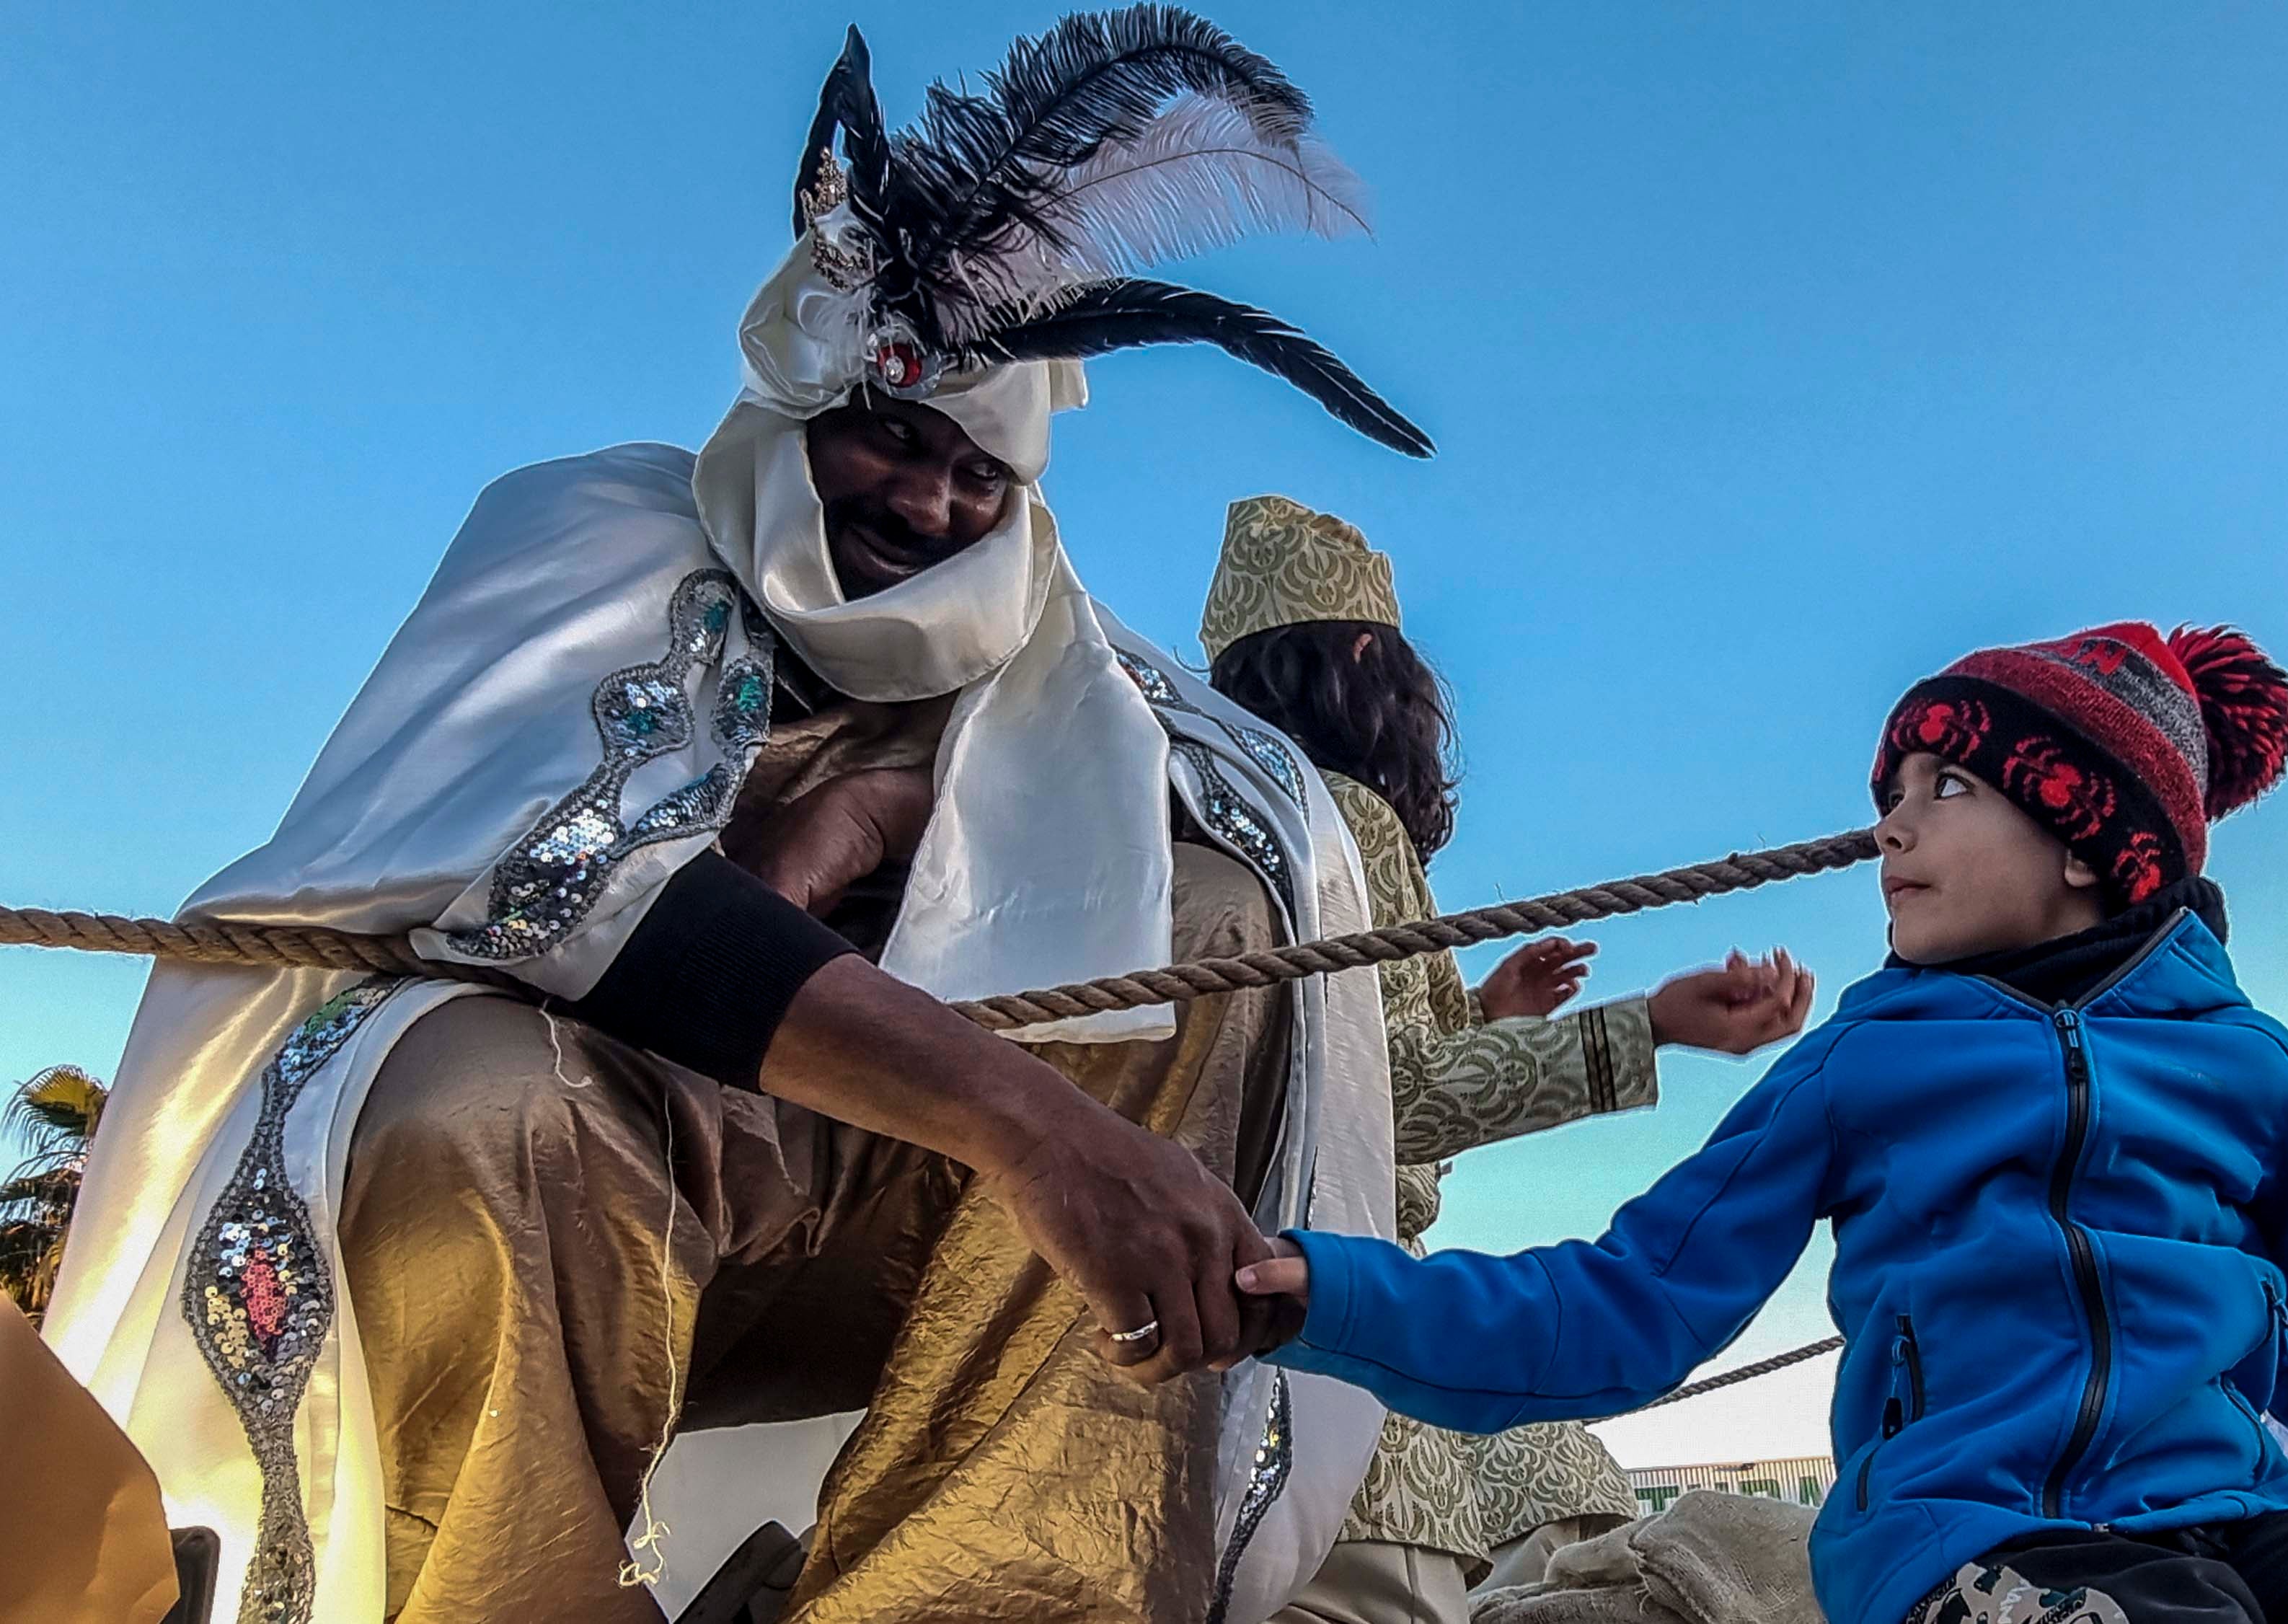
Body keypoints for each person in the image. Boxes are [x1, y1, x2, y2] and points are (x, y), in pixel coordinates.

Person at [43, 14, 1436, 1624]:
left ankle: (970, 1601)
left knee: (1204, 918)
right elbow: (558, 889)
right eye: (888, 437)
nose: (927, 504)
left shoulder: (1082, 680)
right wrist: (957, 1024)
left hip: (911, 1249)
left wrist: (947, 833)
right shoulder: (590, 533)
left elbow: (1269, 932)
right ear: (796, 403)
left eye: (978, 474)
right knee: (467, 1097)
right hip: (577, 1201)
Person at [1231, 623, 2288, 1624]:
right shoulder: (1862, 1065)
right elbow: (1624, 1303)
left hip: (2232, 1518)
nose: (1890, 825)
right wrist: (1334, 1294)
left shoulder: (2254, 1073)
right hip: (1965, 1545)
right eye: (1891, 791)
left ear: (2087, 837)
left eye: (1945, 788)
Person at [1194, 496, 1816, 1624]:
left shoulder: (1225, 802)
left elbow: (1323, 1059)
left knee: (1556, 1475)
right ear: (1370, 658)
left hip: (1223, 1276)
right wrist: (1651, 1027)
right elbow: (1374, 1105)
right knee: (1552, 1525)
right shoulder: (1343, 820)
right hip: (1316, 1309)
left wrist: (1486, 1011)